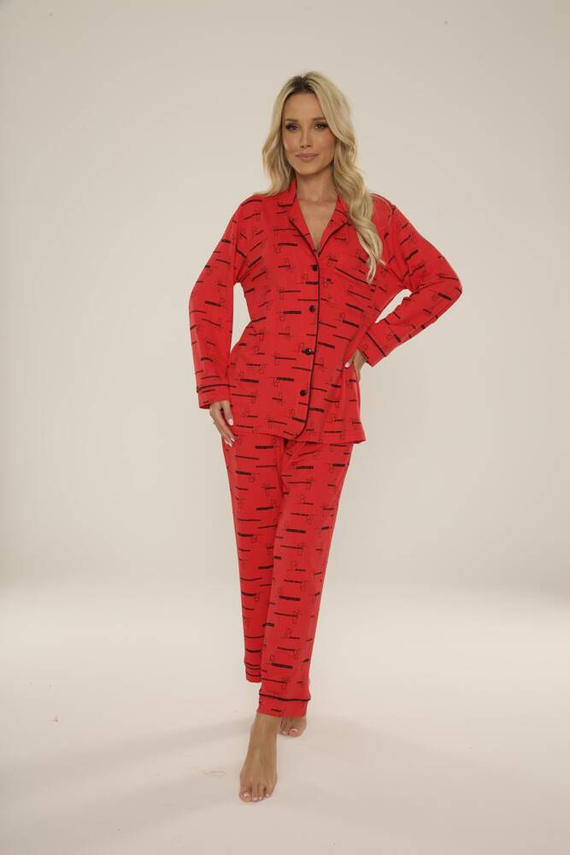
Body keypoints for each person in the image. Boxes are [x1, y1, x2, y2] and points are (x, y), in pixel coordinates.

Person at [188, 71, 463, 804]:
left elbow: (442, 283)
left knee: (300, 564)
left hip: (330, 419)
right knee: (261, 561)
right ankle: (287, 687)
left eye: (317, 125)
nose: (304, 140)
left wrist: (371, 343)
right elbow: (207, 294)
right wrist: (213, 383)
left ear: (339, 133)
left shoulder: (377, 218)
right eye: (292, 126)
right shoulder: (255, 216)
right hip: (252, 412)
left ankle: (265, 719)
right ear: (278, 137)